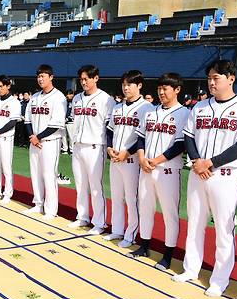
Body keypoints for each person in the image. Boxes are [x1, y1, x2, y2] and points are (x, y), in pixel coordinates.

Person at [172, 60, 237, 297]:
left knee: (224, 229)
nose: (212, 82)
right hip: (198, 172)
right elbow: (188, 136)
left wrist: (209, 163)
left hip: (226, 175)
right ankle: (191, 268)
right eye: (210, 78)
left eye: (216, 78)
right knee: (195, 223)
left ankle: (220, 279)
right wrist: (197, 161)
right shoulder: (200, 107)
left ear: (231, 78)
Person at [129, 73, 189, 270]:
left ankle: (168, 255)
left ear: (177, 89)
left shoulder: (184, 113)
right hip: (146, 168)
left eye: (166, 88)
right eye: (159, 89)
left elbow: (180, 145)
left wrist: (155, 160)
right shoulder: (151, 112)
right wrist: (141, 157)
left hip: (167, 170)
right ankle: (144, 246)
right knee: (145, 209)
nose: (162, 92)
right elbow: (140, 138)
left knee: (169, 215)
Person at [104, 70, 152, 248]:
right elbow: (109, 130)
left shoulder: (147, 108)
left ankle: (130, 234)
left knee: (132, 198)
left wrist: (127, 152)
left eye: (130, 84)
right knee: (116, 197)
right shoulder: (117, 107)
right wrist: (109, 147)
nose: (126, 88)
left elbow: (144, 137)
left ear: (139, 85)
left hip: (131, 160)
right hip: (116, 158)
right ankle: (117, 229)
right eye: (124, 84)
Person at [68, 64, 115, 233]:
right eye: (81, 80)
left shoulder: (106, 99)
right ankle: (82, 216)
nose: (83, 82)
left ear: (96, 78)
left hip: (95, 146)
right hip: (78, 146)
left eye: (86, 79)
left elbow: (110, 126)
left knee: (96, 187)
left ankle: (99, 223)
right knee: (80, 185)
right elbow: (74, 119)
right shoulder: (77, 99)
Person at [23, 64, 67, 220]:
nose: (40, 79)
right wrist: (32, 137)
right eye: (39, 76)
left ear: (51, 77)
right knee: (35, 174)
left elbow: (56, 124)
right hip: (34, 141)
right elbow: (27, 119)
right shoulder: (34, 97)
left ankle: (51, 209)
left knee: (49, 175)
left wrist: (38, 137)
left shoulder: (59, 97)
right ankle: (38, 204)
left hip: (50, 141)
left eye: (44, 76)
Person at [0, 75, 21, 204]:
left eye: (2, 86)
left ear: (8, 86)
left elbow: (13, 122)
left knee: (6, 167)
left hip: (6, 138)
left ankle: (8, 193)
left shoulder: (14, 102)